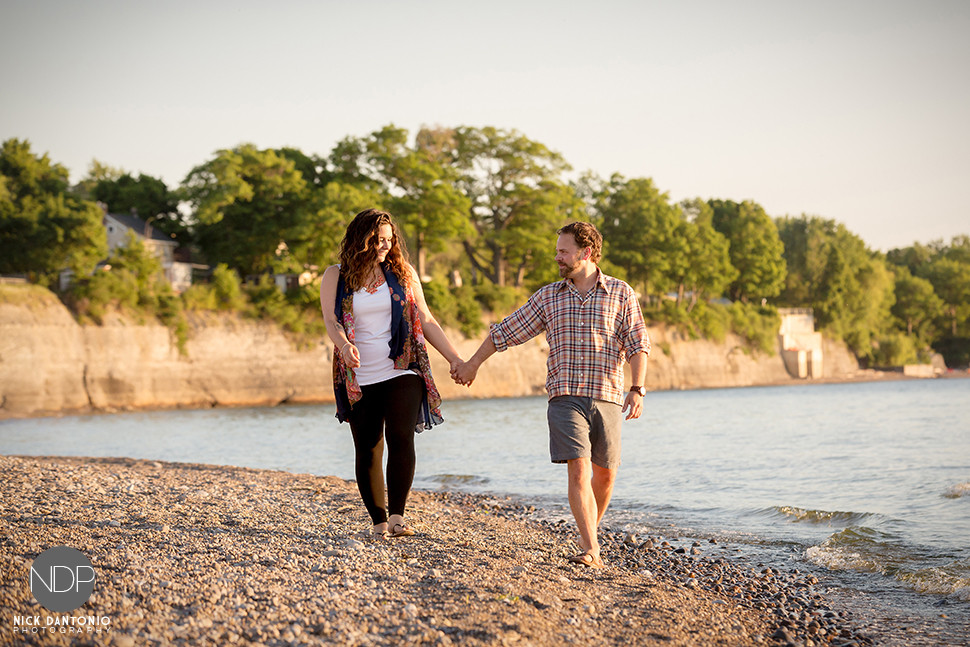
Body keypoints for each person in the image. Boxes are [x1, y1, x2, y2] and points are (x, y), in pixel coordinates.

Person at [452, 222, 649, 568]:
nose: (556, 256)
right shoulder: (548, 296)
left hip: (608, 395)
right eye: (557, 250)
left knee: (605, 474)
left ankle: (587, 532)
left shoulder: (621, 293)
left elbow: (637, 343)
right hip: (564, 396)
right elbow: (506, 332)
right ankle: (592, 549)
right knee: (579, 469)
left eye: (563, 251)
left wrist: (637, 388)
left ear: (585, 253)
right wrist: (472, 364)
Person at [321, 208, 464, 539]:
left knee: (402, 436)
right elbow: (331, 320)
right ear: (362, 239)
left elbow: (426, 320)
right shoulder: (336, 275)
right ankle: (379, 522)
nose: (385, 246)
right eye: (378, 239)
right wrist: (343, 345)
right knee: (368, 446)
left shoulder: (402, 273)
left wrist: (455, 358)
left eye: (389, 239)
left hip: (402, 368)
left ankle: (398, 516)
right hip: (358, 373)